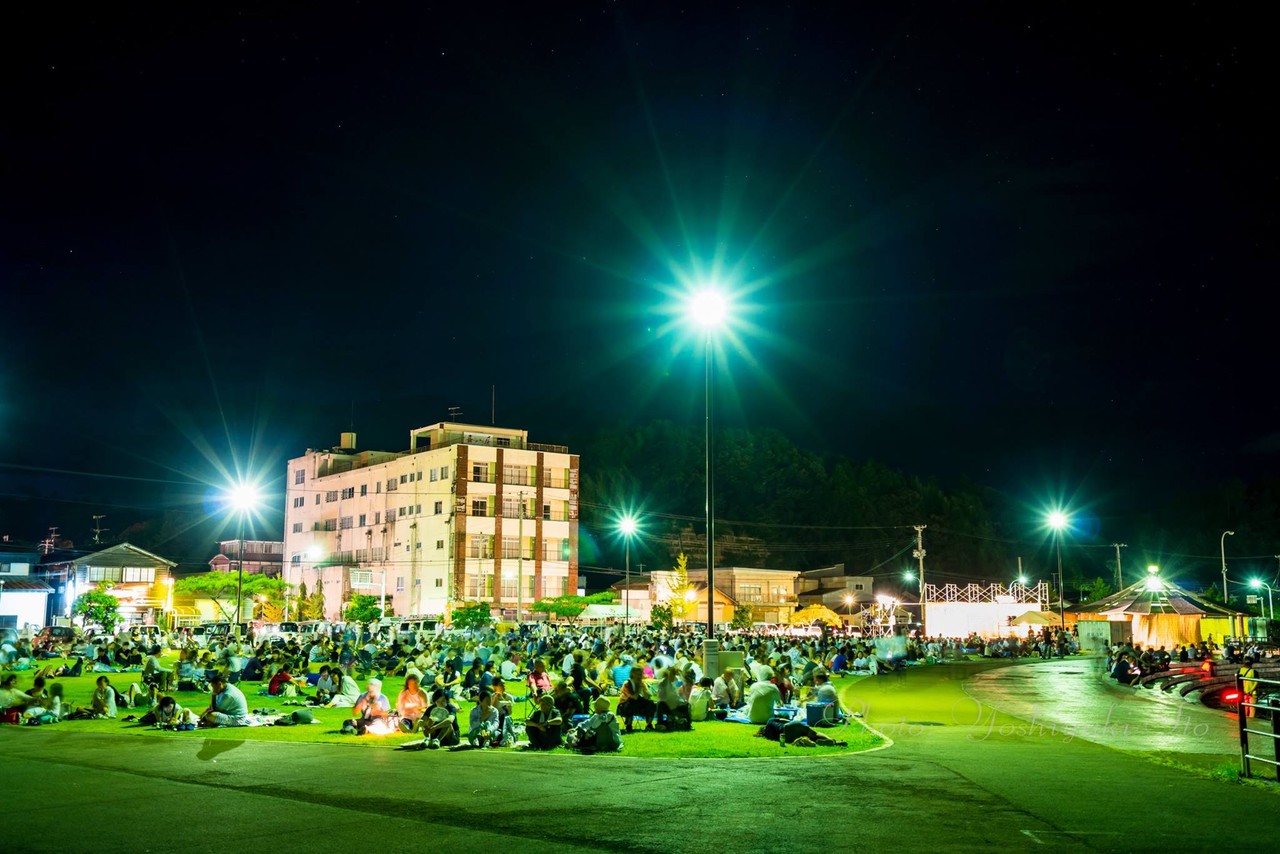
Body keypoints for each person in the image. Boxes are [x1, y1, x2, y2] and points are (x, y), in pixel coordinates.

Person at [616, 665, 657, 733]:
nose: (639, 676)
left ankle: (649, 725)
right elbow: (633, 697)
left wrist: (644, 688)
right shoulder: (627, 684)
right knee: (631, 702)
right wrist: (638, 688)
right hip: (625, 705)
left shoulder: (642, 683)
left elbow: (648, 696)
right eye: (638, 674)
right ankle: (629, 725)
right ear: (633, 674)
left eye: (641, 674)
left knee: (651, 703)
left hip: (638, 704)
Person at [655, 666, 691, 731]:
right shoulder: (662, 683)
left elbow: (676, 696)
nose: (674, 677)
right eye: (673, 675)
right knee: (660, 704)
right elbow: (662, 697)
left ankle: (688, 725)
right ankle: (660, 723)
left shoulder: (671, 684)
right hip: (667, 705)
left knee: (686, 705)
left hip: (674, 704)